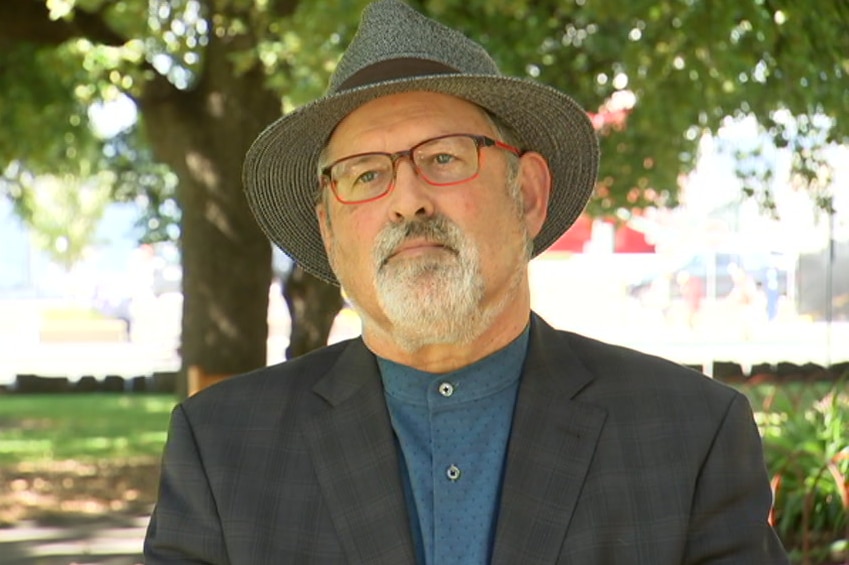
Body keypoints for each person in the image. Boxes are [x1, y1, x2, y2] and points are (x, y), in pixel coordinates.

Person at [144, 1, 789, 563]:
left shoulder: (691, 432)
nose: (409, 200)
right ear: (330, 232)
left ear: (529, 195)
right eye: (366, 175)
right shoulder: (222, 448)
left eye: (445, 157)